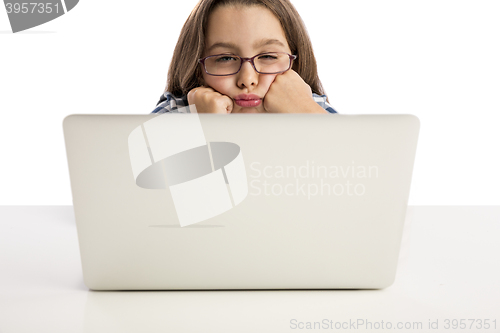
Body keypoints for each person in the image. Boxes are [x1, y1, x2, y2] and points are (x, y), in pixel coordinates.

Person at [152, 0, 337, 114]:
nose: (247, 80)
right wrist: (206, 129)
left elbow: (360, 167)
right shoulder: (176, 113)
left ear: (294, 66)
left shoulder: (311, 109)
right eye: (225, 58)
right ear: (197, 69)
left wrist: (307, 115)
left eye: (268, 56)